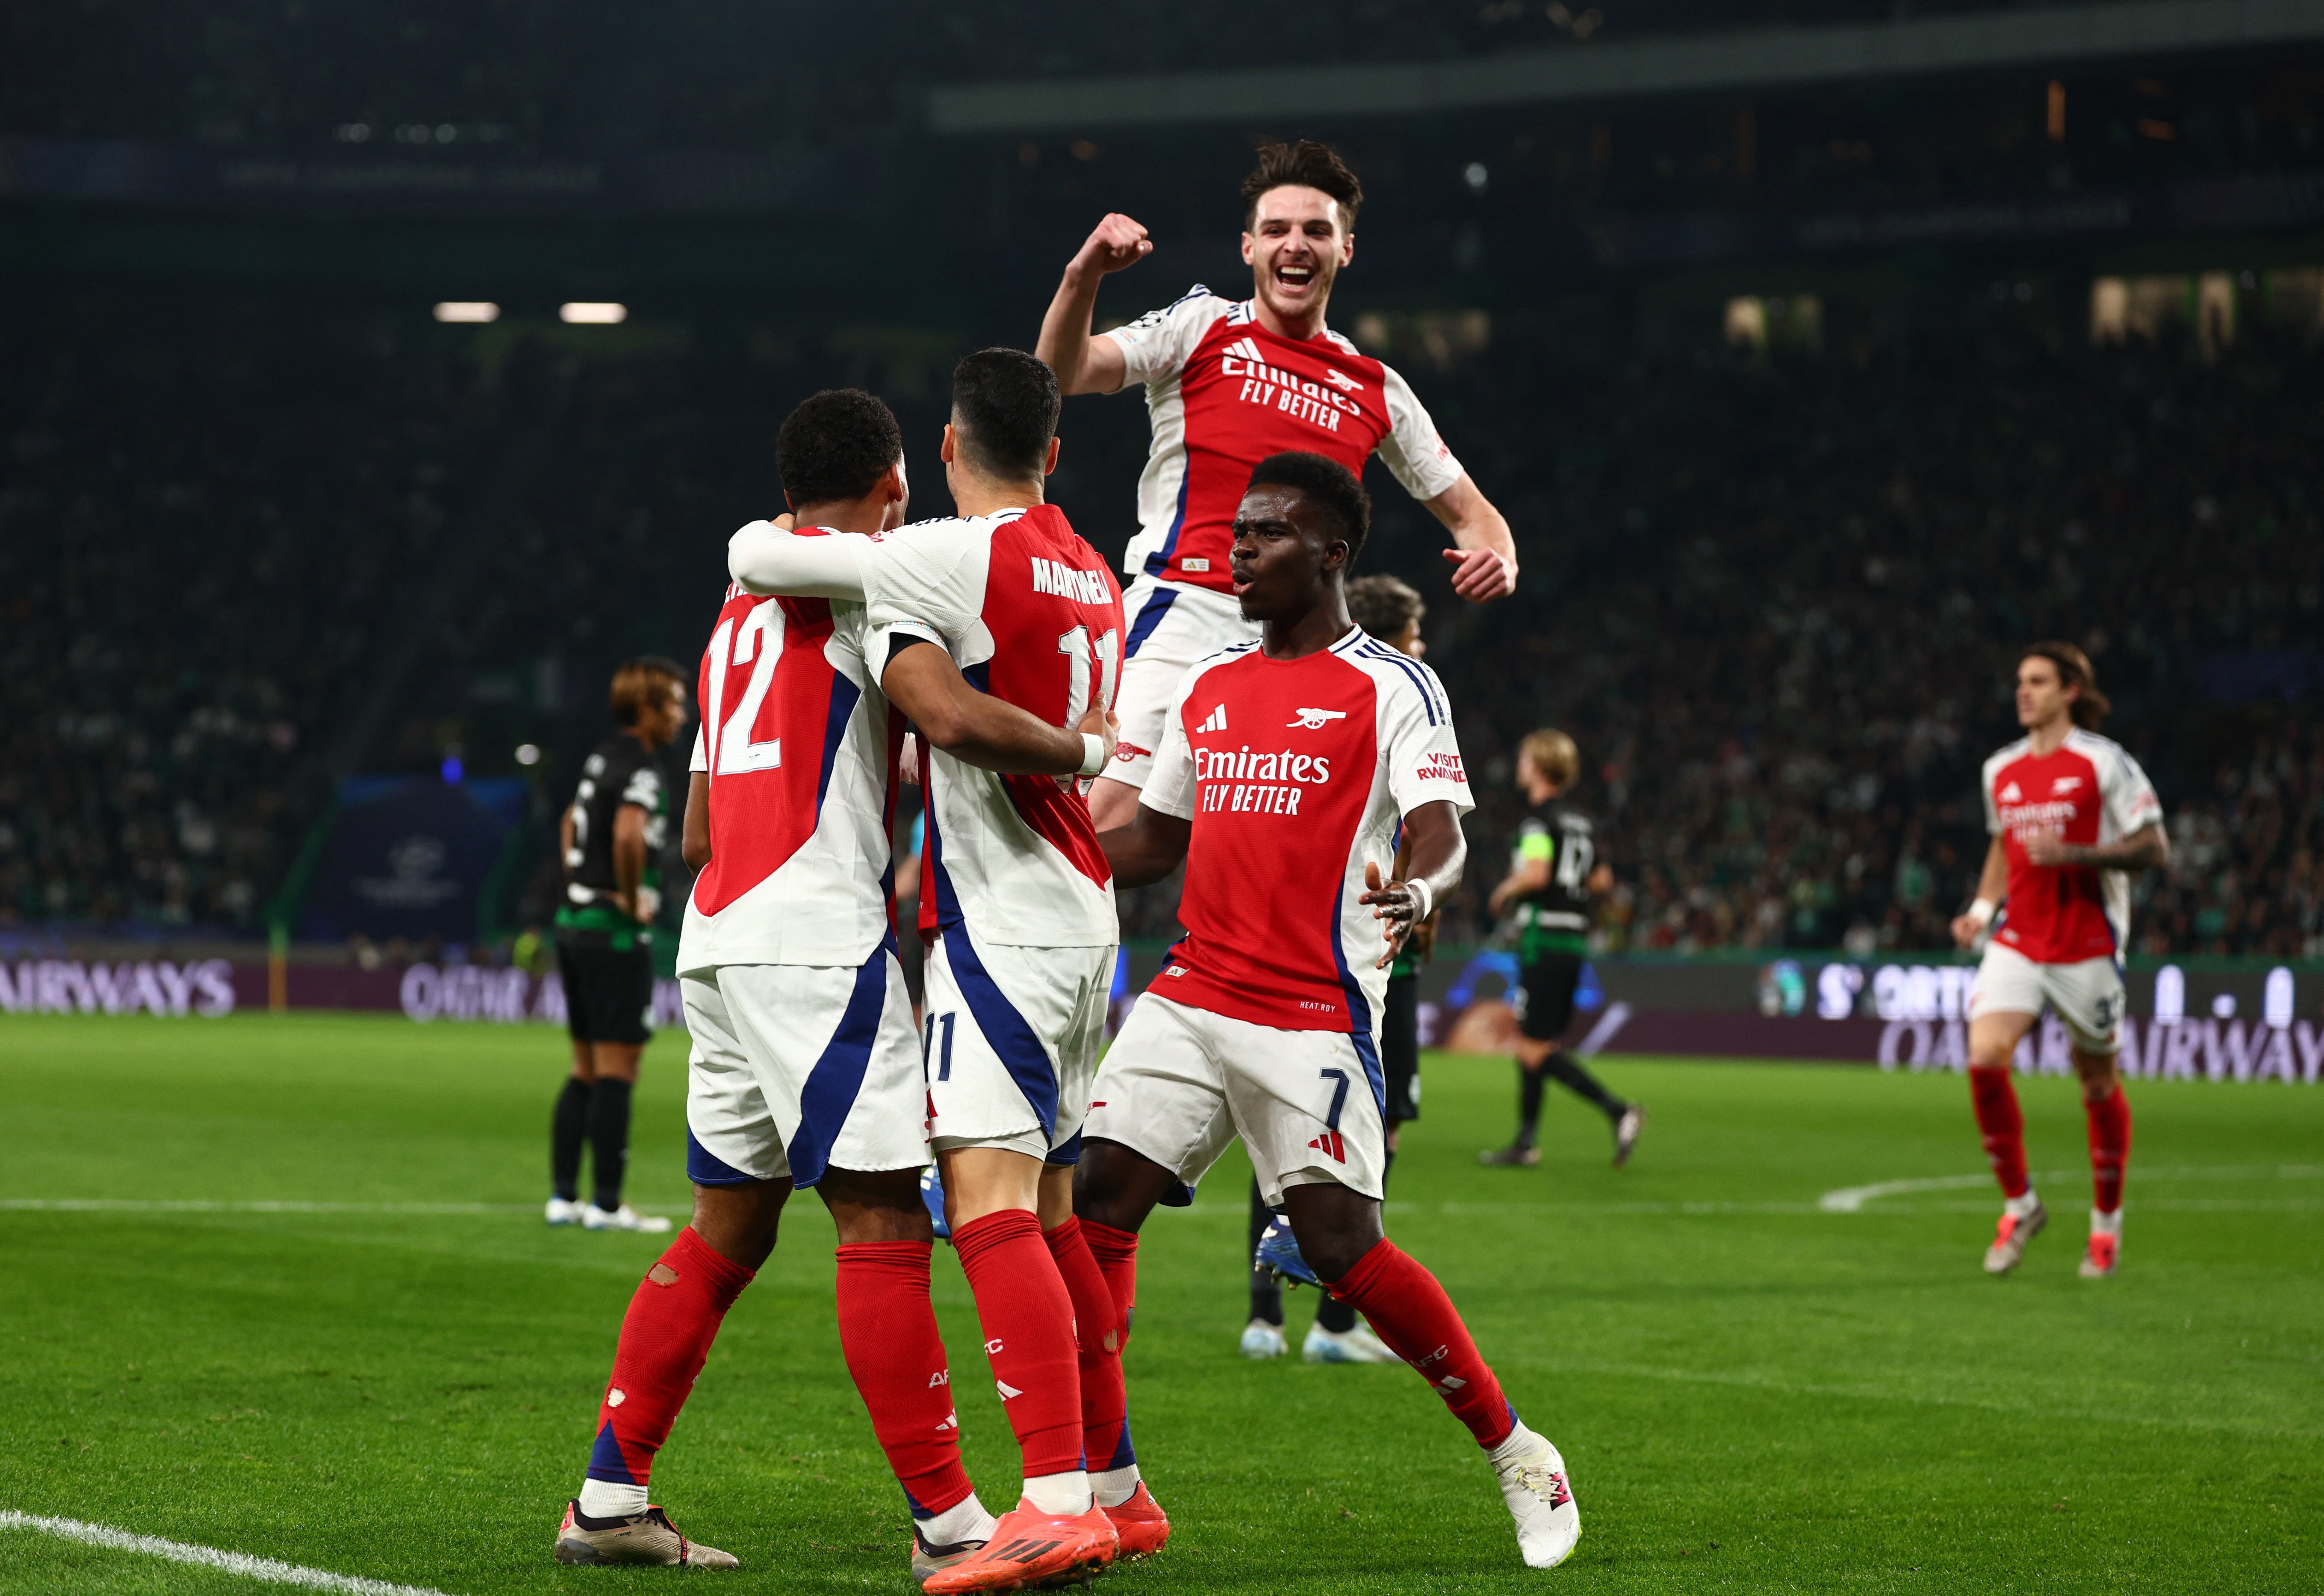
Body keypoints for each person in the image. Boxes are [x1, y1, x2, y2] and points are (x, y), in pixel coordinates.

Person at [555, 388, 1115, 1580]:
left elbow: (700, 822)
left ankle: (610, 1494)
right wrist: (1082, 748)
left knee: (725, 1230)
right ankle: (954, 1523)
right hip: (816, 937)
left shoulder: (730, 614)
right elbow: (938, 711)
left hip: (717, 934)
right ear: (893, 485)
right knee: (880, 1222)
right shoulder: (874, 582)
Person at [1073, 452, 1583, 1571]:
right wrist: (1036, 848)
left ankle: (1513, 1446)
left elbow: (1440, 825)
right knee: (1095, 1203)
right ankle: (1109, 1486)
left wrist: (1425, 883)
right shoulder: (1209, 683)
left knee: (1341, 1247)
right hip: (1192, 986)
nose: (1237, 548)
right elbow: (1155, 839)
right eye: (1237, 531)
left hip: (1311, 1008)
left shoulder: (1391, 684)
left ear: (1332, 552)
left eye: (1263, 533)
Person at [723, 350, 1145, 1590]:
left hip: (1005, 922)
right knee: (1055, 1212)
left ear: (951, 453)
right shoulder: (1092, 567)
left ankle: (1056, 1498)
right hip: (1082, 915)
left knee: (988, 1208)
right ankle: (1119, 1485)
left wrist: (1071, 750)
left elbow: (770, 564)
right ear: (1057, 454)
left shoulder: (947, 555)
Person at [1036, 138, 1520, 833]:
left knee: (1301, 844)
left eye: (1317, 230)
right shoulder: (1199, 327)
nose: (1296, 244)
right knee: (1108, 820)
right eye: (1277, 230)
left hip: (1301, 643)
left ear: (1345, 250)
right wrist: (1084, 274)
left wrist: (1496, 557)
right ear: (1248, 248)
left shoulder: (1377, 388)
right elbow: (1060, 374)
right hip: (1187, 612)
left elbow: (1478, 518)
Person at [1238, 573, 1429, 1364]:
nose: (1425, 648)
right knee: (1363, 1132)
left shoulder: (1318, 699)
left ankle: (1268, 1318)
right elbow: (1420, 834)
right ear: (1392, 636)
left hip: (1306, 949)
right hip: (1366, 961)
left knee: (1278, 1132)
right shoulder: (1396, 705)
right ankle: (1337, 1324)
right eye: (1417, 633)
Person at [1950, 643, 2166, 1280]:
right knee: (1985, 1058)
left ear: (2070, 690)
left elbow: (2155, 848)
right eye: (2020, 681)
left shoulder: (2105, 763)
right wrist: (1983, 909)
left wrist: (2076, 854)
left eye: (2038, 681)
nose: (2024, 692)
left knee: (2097, 1085)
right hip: (2020, 938)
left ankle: (2105, 1226)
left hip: (2088, 943)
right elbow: (2003, 848)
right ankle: (2020, 1206)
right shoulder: (2001, 770)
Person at [547, 657, 687, 1234]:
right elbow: (629, 831)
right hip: (614, 931)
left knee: (584, 1066)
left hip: (574, 921)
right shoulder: (644, 768)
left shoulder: (601, 757)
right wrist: (629, 898)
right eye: (676, 704)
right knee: (618, 1067)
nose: (683, 715)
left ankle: (563, 1197)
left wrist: (581, 881)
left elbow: (569, 824)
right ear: (648, 709)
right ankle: (606, 1204)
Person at [1480, 729, 1643, 1168]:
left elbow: (1535, 874)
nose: (1520, 765)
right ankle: (1525, 1142)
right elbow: (1602, 881)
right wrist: (1569, 888)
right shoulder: (1582, 823)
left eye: (1525, 758)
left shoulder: (1538, 822)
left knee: (1533, 1047)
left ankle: (1618, 1109)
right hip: (1573, 938)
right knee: (1534, 1038)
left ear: (1537, 766)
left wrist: (1504, 890)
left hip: (1544, 938)